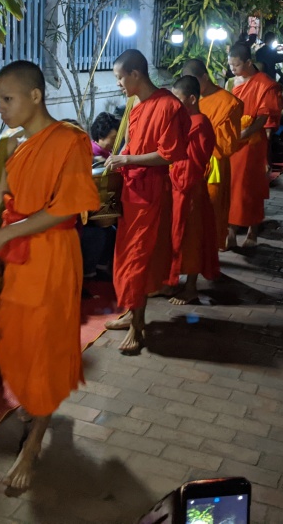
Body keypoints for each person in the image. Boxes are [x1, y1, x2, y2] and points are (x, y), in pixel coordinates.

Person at [0, 60, 100, 491]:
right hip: (17, 254)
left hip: (52, 255)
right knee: (10, 339)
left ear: (35, 96)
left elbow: (67, 206)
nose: (1, 108)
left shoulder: (69, 140)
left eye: (8, 99)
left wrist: (6, 230)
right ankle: (36, 405)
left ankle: (35, 439)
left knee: (43, 345)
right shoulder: (12, 141)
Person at [103, 49, 190, 354]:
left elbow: (170, 154)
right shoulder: (136, 105)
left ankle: (138, 328)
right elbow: (132, 142)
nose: (118, 84)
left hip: (152, 192)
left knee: (138, 260)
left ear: (135, 75)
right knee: (125, 257)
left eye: (119, 77)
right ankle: (129, 312)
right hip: (131, 190)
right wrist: (118, 159)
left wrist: (127, 158)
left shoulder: (169, 106)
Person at [161, 75, 219, 304]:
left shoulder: (200, 123)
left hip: (190, 188)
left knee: (191, 238)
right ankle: (171, 282)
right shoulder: (184, 121)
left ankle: (191, 288)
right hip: (176, 187)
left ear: (192, 98)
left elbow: (193, 162)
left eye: (178, 98)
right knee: (174, 238)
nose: (175, 104)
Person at [226, 42, 282, 249]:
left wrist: (245, 134)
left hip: (252, 144)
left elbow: (263, 117)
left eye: (236, 65)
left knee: (250, 189)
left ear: (248, 62)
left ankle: (252, 232)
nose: (233, 69)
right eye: (230, 65)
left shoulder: (265, 84)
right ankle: (230, 233)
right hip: (232, 142)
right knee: (230, 188)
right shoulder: (232, 82)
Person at [182, 58, 243, 250]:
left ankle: (210, 250)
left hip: (213, 165)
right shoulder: (189, 97)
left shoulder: (228, 102)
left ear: (205, 77)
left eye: (196, 82)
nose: (193, 88)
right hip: (187, 165)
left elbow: (227, 145)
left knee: (212, 207)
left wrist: (201, 145)